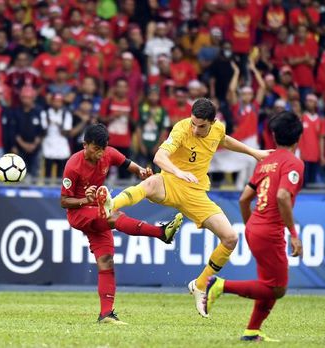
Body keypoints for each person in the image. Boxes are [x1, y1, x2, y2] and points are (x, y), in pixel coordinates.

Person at [97, 98, 270, 318]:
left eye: (202, 126)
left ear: (212, 122)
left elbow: (223, 139)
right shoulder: (181, 128)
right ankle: (111, 204)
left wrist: (254, 152)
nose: (196, 129)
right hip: (170, 182)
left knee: (230, 238)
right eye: (194, 124)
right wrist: (178, 172)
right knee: (149, 184)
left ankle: (200, 284)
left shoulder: (217, 129)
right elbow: (159, 157)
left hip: (196, 193)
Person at [61, 124, 183, 325]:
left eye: (103, 148)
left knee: (106, 261)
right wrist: (85, 199)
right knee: (113, 215)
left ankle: (106, 314)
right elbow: (64, 201)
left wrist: (143, 173)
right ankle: (161, 233)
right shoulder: (73, 165)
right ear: (85, 145)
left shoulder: (109, 153)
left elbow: (130, 165)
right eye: (95, 149)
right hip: (80, 213)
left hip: (98, 210)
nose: (100, 153)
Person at [204, 111, 304, 342]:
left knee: (268, 283)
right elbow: (282, 197)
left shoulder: (266, 161)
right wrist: (294, 234)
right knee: (278, 288)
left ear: (274, 136)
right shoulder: (294, 163)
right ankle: (219, 285)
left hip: (254, 226)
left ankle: (252, 331)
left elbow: (243, 198)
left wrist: (252, 226)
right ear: (298, 138)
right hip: (270, 230)